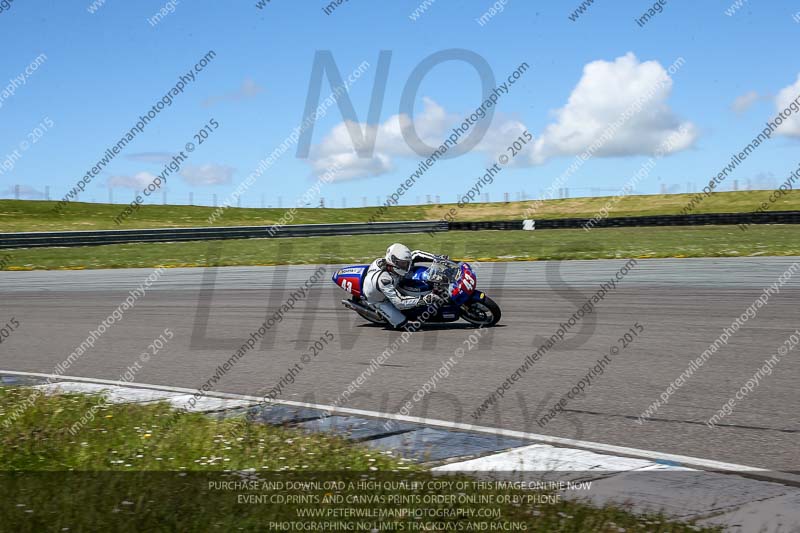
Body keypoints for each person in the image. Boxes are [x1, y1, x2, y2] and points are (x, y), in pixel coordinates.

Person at [363, 243, 443, 328]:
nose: (407, 266)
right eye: (403, 264)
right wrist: (423, 300)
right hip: (380, 300)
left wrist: (437, 258)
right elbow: (399, 303)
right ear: (393, 262)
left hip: (389, 283)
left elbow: (416, 254)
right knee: (401, 323)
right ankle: (379, 312)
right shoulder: (384, 280)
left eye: (407, 263)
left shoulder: (393, 266)